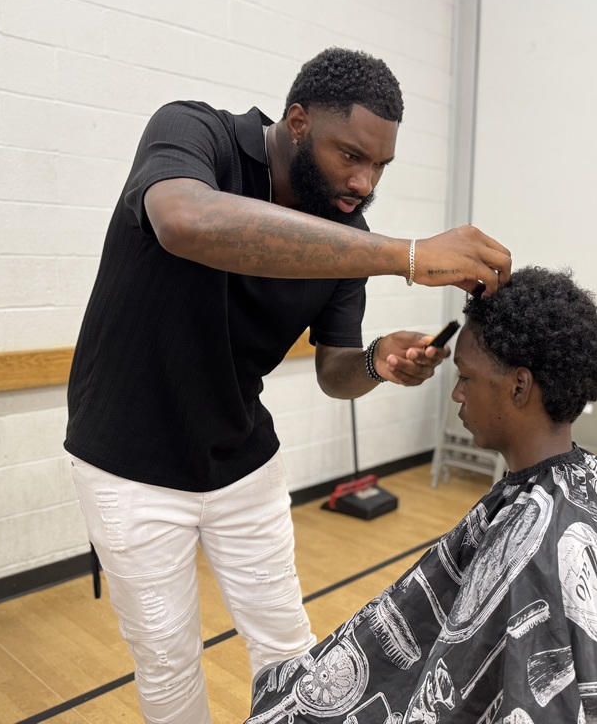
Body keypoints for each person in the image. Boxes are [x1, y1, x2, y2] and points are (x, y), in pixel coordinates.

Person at [64, 47, 511, 723]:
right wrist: (409, 257)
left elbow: (335, 372)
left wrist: (376, 362)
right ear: (298, 122)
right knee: (168, 658)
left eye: (380, 166)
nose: (364, 182)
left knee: (287, 646)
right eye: (351, 156)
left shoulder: (347, 236)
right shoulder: (195, 133)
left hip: (244, 462)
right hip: (129, 465)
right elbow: (184, 221)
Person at [248, 267, 597, 724]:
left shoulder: (542, 547)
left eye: (466, 377)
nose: (457, 394)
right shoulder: (591, 480)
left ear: (519, 385)